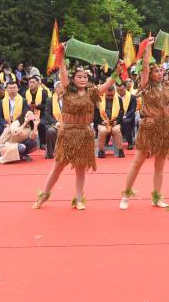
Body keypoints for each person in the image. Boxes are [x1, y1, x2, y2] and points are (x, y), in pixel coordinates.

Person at [32, 53, 121, 210]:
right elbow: (63, 72)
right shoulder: (67, 90)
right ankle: (43, 196)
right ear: (73, 79)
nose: (83, 79)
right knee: (58, 167)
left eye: (85, 77)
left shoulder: (92, 92)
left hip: (85, 134)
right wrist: (61, 55)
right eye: (79, 76)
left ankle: (79, 199)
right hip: (67, 132)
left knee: (80, 168)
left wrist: (118, 70)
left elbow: (109, 83)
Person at [119, 37, 169, 210]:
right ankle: (126, 195)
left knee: (160, 165)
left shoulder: (168, 85)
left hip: (163, 128)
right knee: (138, 161)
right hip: (148, 126)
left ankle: (157, 197)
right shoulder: (145, 85)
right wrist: (147, 48)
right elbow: (145, 66)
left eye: (161, 70)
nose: (160, 73)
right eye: (157, 71)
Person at [0, 80, 29, 159]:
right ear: (6, 89)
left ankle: (22, 153)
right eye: (10, 88)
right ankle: (0, 153)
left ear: (18, 89)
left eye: (14, 88)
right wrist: (5, 124)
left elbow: (25, 115)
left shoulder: (23, 101)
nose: (12, 90)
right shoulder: (2, 101)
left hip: (19, 125)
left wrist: (15, 124)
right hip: (6, 124)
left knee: (21, 133)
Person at [94, 85, 125, 158]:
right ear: (104, 93)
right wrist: (102, 122)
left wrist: (116, 121)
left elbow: (121, 112)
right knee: (103, 131)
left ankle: (120, 150)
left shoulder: (119, 99)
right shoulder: (98, 100)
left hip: (114, 122)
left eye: (112, 95)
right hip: (102, 122)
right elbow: (95, 115)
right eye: (108, 95)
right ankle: (101, 150)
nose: (110, 97)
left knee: (116, 130)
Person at [44, 81, 64, 160]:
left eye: (63, 87)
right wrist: (56, 123)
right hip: (54, 124)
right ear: (55, 89)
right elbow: (47, 114)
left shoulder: (69, 99)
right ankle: (50, 153)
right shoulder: (50, 100)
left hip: (67, 123)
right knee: (51, 131)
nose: (62, 89)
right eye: (60, 87)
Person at [117, 84, 137, 149]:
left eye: (121, 90)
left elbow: (133, 109)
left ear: (125, 88)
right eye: (118, 90)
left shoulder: (132, 97)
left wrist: (125, 116)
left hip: (128, 116)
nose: (120, 92)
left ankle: (130, 142)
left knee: (126, 122)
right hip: (117, 116)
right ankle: (106, 142)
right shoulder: (115, 97)